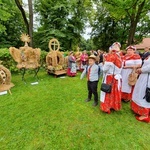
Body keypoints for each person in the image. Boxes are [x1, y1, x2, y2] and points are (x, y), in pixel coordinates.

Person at [100, 45, 122, 114]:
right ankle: (114, 106)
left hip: (110, 77)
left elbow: (104, 69)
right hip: (116, 77)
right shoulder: (119, 57)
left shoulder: (111, 57)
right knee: (114, 92)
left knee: (107, 91)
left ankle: (107, 107)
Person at [131, 55, 150, 123]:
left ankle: (145, 115)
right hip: (144, 76)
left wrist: (141, 70)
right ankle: (139, 111)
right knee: (140, 92)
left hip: (147, 78)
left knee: (144, 94)